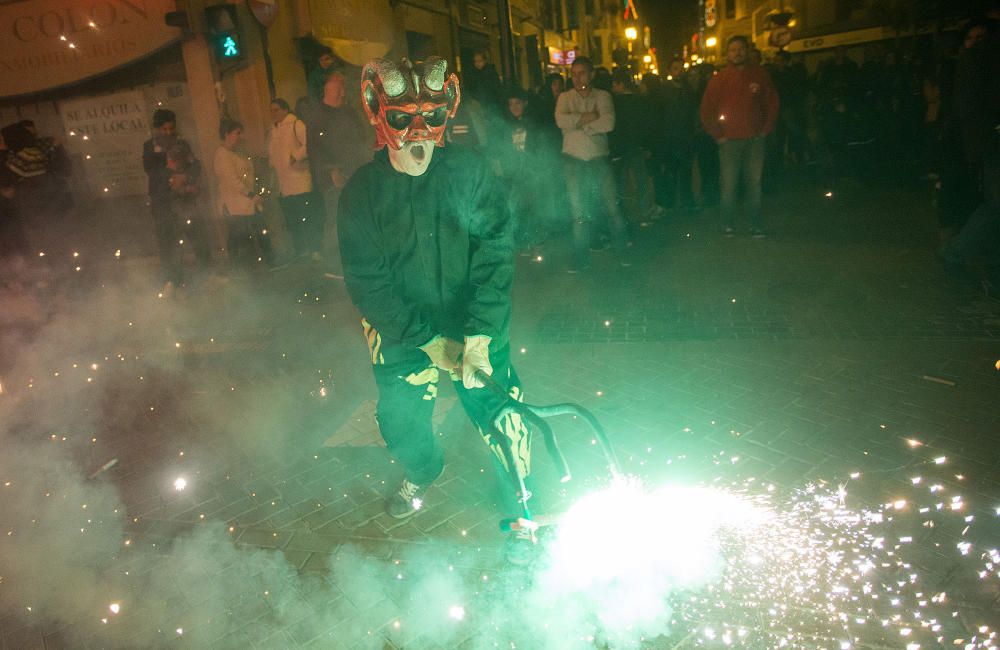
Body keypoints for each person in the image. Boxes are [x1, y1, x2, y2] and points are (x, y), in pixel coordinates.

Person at [338, 56, 536, 564]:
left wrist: (479, 336)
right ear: (378, 115)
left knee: (502, 411)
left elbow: (495, 247)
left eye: (430, 117)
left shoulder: (469, 172)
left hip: (472, 317)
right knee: (400, 420)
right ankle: (423, 470)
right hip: (402, 330)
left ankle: (525, 507)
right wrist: (425, 340)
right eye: (403, 119)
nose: (418, 133)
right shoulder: (361, 193)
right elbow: (368, 282)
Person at [700, 35, 780, 238]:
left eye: (741, 49)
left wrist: (765, 129)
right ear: (728, 54)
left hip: (754, 140)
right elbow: (706, 110)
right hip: (729, 142)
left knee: (754, 183)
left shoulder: (759, 75)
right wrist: (718, 135)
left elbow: (771, 102)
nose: (737, 53)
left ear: (747, 50)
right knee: (729, 184)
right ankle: (727, 223)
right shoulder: (719, 79)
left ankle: (754, 224)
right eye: (733, 49)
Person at [556, 56, 631, 271]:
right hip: (573, 160)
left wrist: (580, 125)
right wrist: (590, 117)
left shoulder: (603, 96)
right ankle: (581, 258)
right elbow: (560, 120)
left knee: (611, 206)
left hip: (598, 159)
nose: (577, 77)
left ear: (591, 74)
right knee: (578, 212)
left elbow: (609, 122)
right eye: (573, 73)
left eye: (581, 73)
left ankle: (622, 250)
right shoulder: (564, 97)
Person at [142, 109, 211, 293]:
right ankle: (173, 280)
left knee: (199, 238)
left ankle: (206, 275)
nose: (168, 132)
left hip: (185, 202)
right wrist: (172, 178)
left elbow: (195, 165)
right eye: (164, 129)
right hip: (163, 205)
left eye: (171, 128)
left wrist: (187, 179)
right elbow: (152, 172)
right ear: (156, 129)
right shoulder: (149, 147)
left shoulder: (182, 144)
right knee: (168, 244)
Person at [306, 71, 373, 255]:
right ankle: (334, 261)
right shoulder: (317, 116)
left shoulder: (349, 113)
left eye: (343, 86)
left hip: (356, 172)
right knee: (336, 217)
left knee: (359, 216)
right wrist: (332, 171)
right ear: (327, 87)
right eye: (338, 84)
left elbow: (362, 139)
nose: (342, 91)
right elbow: (316, 149)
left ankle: (359, 254)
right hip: (334, 179)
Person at [268, 98, 324, 259]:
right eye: (271, 111)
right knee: (293, 220)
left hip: (299, 179)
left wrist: (295, 156)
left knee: (307, 216)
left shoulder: (296, 124)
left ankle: (315, 248)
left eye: (276, 110)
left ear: (285, 109)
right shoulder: (274, 130)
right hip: (284, 183)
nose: (273, 114)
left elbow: (308, 144)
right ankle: (301, 250)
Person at [214, 118, 273, 271]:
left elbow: (248, 173)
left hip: (247, 202)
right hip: (235, 204)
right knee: (238, 236)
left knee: (258, 230)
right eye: (237, 133)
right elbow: (232, 180)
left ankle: (267, 261)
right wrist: (250, 194)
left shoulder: (238, 153)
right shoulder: (222, 155)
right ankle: (239, 267)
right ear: (227, 134)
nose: (240, 137)